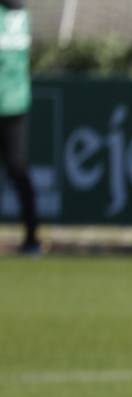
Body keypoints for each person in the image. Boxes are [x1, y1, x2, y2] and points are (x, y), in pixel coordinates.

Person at [0, 0, 39, 254]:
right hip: (17, 103)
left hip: (11, 104)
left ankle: (32, 238)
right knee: (18, 172)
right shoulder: (23, 16)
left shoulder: (16, 16)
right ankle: (32, 238)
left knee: (18, 172)